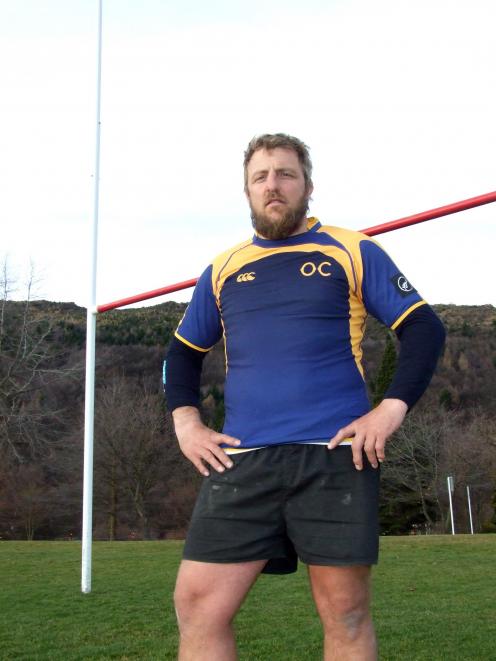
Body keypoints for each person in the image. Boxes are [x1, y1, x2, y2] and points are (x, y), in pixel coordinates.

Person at [164, 133, 445, 660]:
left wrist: (389, 409)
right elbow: (181, 353)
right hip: (241, 459)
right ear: (246, 191)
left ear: (307, 186)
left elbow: (424, 329)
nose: (273, 184)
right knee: (198, 604)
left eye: (285, 174)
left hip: (334, 454)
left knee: (345, 611)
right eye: (261, 176)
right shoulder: (222, 269)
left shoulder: (350, 248)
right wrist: (186, 423)